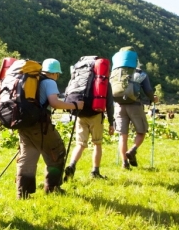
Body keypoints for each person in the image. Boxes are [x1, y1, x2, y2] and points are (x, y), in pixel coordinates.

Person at [15, 58, 83, 199]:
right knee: (56, 152)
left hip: (23, 122)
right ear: (55, 73)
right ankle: (52, 188)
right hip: (39, 125)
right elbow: (55, 103)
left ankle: (22, 193)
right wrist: (75, 105)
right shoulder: (49, 82)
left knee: (28, 156)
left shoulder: (31, 79)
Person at [111, 47, 158, 169]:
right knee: (141, 131)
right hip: (135, 105)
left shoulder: (115, 73)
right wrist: (153, 99)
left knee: (123, 135)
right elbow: (148, 91)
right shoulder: (140, 73)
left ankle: (124, 163)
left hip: (119, 106)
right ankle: (132, 150)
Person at [64, 73, 115, 180]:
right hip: (96, 114)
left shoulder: (79, 78)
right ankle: (95, 171)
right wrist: (111, 122)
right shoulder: (103, 81)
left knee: (80, 144)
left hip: (80, 114)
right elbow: (109, 104)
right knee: (97, 143)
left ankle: (72, 166)